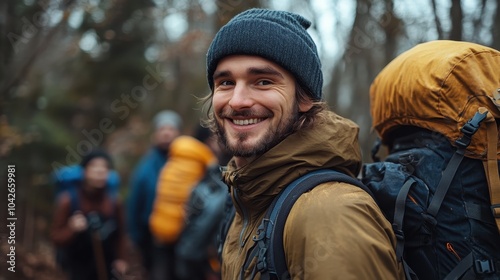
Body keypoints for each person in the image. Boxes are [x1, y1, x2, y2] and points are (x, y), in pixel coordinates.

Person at [202, 8, 405, 279]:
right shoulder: (247, 196)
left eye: (263, 82)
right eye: (226, 82)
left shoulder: (331, 213)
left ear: (304, 99)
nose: (238, 101)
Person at [148, 125, 219, 280]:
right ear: (208, 140)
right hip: (179, 229)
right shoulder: (205, 160)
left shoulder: (177, 154)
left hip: (159, 225)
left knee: (162, 269)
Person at [51, 149, 128, 280]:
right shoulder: (68, 201)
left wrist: (121, 259)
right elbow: (56, 237)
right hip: (77, 268)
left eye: (104, 167)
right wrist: (72, 228)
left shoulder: (114, 203)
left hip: (107, 267)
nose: (100, 171)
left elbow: (120, 234)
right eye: (94, 166)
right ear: (84, 171)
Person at [125, 110, 182, 278]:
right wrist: (135, 236)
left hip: (182, 235)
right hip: (152, 237)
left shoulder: (187, 165)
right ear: (155, 135)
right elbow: (134, 201)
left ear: (178, 133)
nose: (166, 133)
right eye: (162, 129)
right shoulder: (146, 167)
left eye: (171, 129)